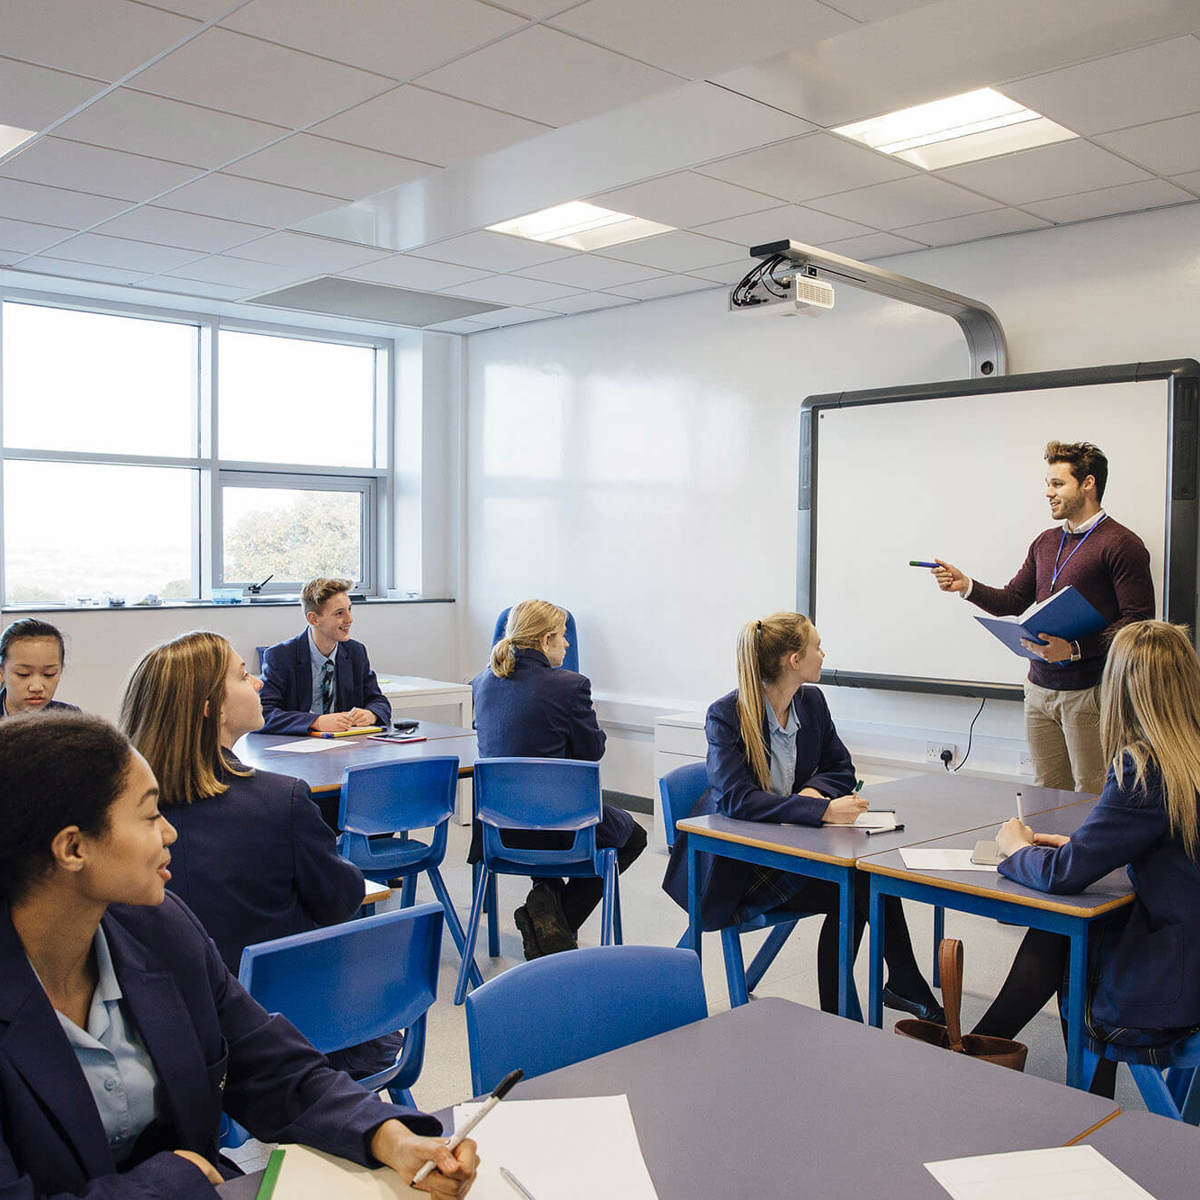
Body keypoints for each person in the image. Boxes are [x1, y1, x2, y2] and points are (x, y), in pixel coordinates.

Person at [0, 712, 476, 1198]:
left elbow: (270, 1066)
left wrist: (388, 1136)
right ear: (73, 848)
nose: (170, 833)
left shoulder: (160, 928)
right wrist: (173, 1180)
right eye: (149, 815)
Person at [118, 632, 388, 1071]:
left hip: (161, 1035)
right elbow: (341, 899)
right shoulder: (281, 801)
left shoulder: (120, 816)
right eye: (244, 676)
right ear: (213, 708)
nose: (259, 683)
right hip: (275, 1029)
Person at [662, 612, 942, 1020]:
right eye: (816, 646)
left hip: (790, 848)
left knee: (861, 881)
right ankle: (886, 990)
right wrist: (821, 809)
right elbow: (737, 800)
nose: (823, 654)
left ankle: (864, 1003)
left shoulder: (810, 702)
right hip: (735, 869)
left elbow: (841, 768)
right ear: (794, 660)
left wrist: (814, 793)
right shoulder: (726, 715)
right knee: (858, 885)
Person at [972, 620, 1200, 1096]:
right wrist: (1079, 849)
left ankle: (974, 1055)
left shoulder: (1144, 768)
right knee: (1063, 934)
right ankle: (978, 1052)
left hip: (1176, 984)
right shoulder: (1186, 757)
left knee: (1062, 931)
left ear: (1119, 688)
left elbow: (1063, 876)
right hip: (1190, 947)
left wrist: (1015, 848)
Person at [931, 440, 1154, 794]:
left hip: (1090, 692)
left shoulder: (1121, 544)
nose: (1048, 492)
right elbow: (1015, 599)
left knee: (1091, 794)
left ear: (1088, 484)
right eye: (1047, 483)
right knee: (1046, 792)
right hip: (1038, 689)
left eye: (1057, 483)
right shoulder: (1045, 542)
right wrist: (967, 585)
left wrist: (1075, 649)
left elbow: (1138, 622)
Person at [471, 599, 647, 960]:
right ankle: (552, 922)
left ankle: (545, 907)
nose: (567, 645)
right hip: (561, 827)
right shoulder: (571, 686)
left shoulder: (482, 682)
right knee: (634, 836)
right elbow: (591, 752)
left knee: (544, 823)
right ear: (546, 639)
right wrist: (591, 721)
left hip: (497, 829)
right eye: (563, 637)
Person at [258, 577, 391, 737]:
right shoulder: (280, 656)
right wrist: (315, 721)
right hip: (297, 749)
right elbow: (263, 713)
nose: (350, 619)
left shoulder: (355, 652)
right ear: (313, 619)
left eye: (349, 609)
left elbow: (379, 701)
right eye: (339, 613)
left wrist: (371, 714)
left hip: (347, 746)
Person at [0, 617, 79, 716]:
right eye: (23, 674)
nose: (36, 687)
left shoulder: (71, 719)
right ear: (1, 672)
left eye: (49, 674)